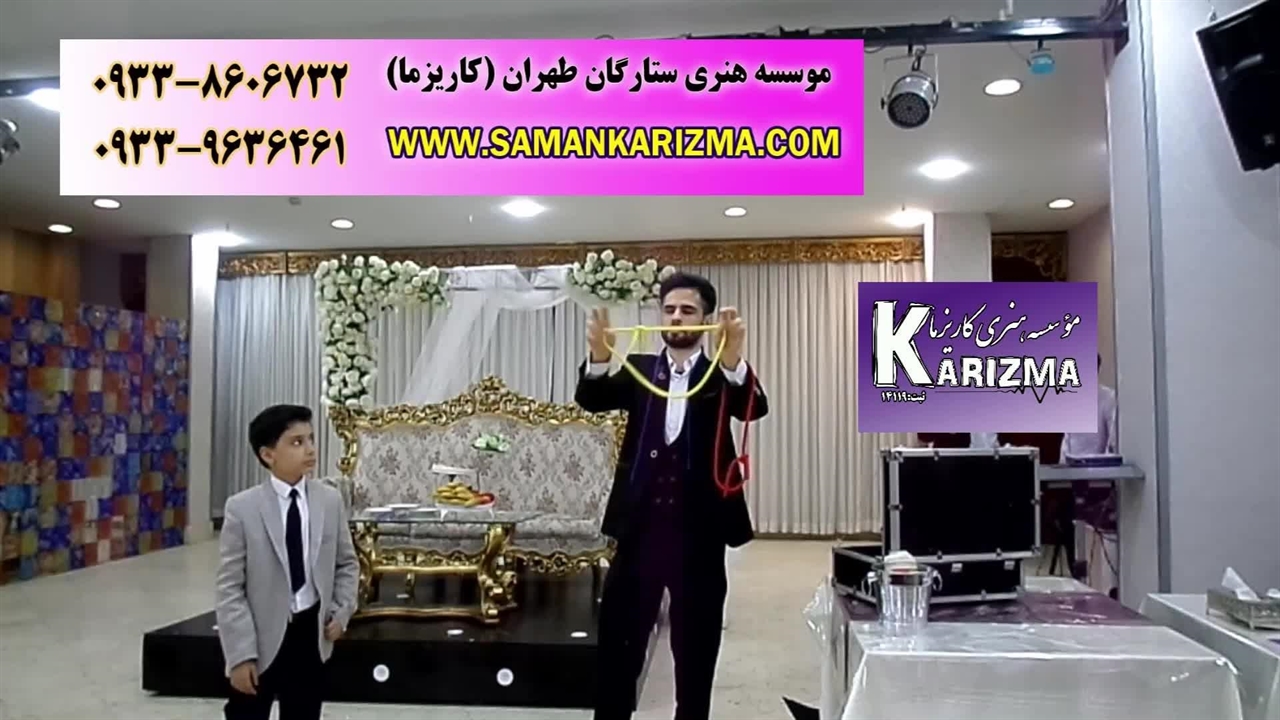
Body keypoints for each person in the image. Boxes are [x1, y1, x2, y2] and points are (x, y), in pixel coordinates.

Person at [575, 272, 769, 720]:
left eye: (687, 310)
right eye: (669, 309)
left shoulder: (719, 373)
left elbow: (754, 408)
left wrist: (734, 360)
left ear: (705, 319)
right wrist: (599, 356)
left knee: (696, 651)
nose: (676, 317)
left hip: (700, 535)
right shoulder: (640, 369)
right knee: (619, 646)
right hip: (638, 531)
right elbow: (592, 398)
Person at [215, 404, 359, 720]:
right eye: (296, 442)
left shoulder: (329, 501)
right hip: (260, 636)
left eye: (311, 439)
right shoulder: (242, 508)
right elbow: (229, 589)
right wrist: (240, 654)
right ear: (268, 455)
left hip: (310, 634)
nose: (310, 449)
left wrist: (342, 610)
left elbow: (347, 564)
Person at [1060, 353, 1118, 459]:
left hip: (1098, 465)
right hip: (1070, 465)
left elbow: (1113, 443)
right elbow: (1066, 442)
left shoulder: (1108, 398)